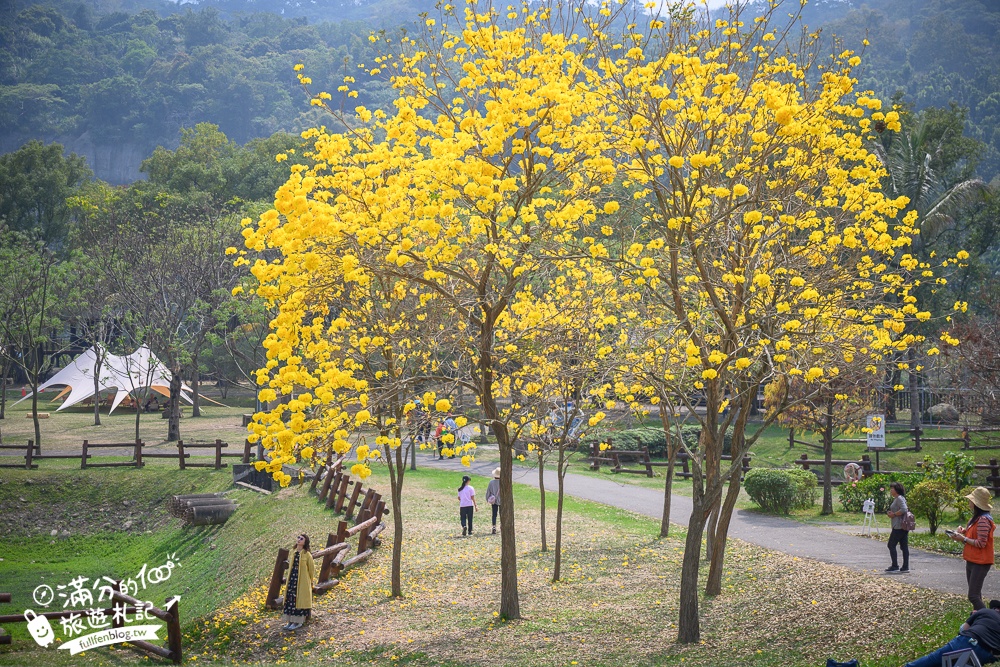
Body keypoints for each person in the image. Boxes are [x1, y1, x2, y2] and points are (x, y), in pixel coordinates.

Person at [903, 600, 1000, 666]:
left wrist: (974, 618)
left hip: (968, 640)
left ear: (995, 608)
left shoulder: (985, 611)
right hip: (988, 652)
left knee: (933, 659)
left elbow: (963, 629)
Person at [950, 486, 996, 610]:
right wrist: (964, 532)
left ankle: (990, 619)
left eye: (971, 500)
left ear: (976, 503)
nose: (969, 502)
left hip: (980, 562)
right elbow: (975, 535)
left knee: (973, 596)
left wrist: (963, 539)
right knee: (977, 595)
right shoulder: (975, 518)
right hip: (972, 559)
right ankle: (979, 620)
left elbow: (981, 543)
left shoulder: (983, 520)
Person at [280, 534, 316, 631]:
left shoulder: (307, 554)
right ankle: (290, 621)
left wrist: (310, 581)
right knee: (290, 599)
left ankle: (298, 622)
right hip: (292, 579)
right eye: (298, 538)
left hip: (302, 581)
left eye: (301, 539)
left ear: (305, 542)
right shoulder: (294, 552)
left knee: (299, 600)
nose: (299, 540)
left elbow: (311, 569)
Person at [885, 481, 910, 573]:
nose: (891, 490)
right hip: (902, 525)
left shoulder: (899, 498)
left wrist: (894, 514)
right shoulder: (899, 498)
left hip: (899, 526)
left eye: (892, 488)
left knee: (891, 545)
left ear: (897, 490)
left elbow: (904, 509)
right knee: (904, 546)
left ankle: (895, 565)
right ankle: (905, 567)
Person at [486, 467, 501, 535]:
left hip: (494, 500)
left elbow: (488, 492)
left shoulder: (491, 482)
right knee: (502, 514)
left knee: (494, 514)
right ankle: (502, 525)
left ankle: (494, 526)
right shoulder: (502, 482)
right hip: (502, 500)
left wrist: (487, 499)